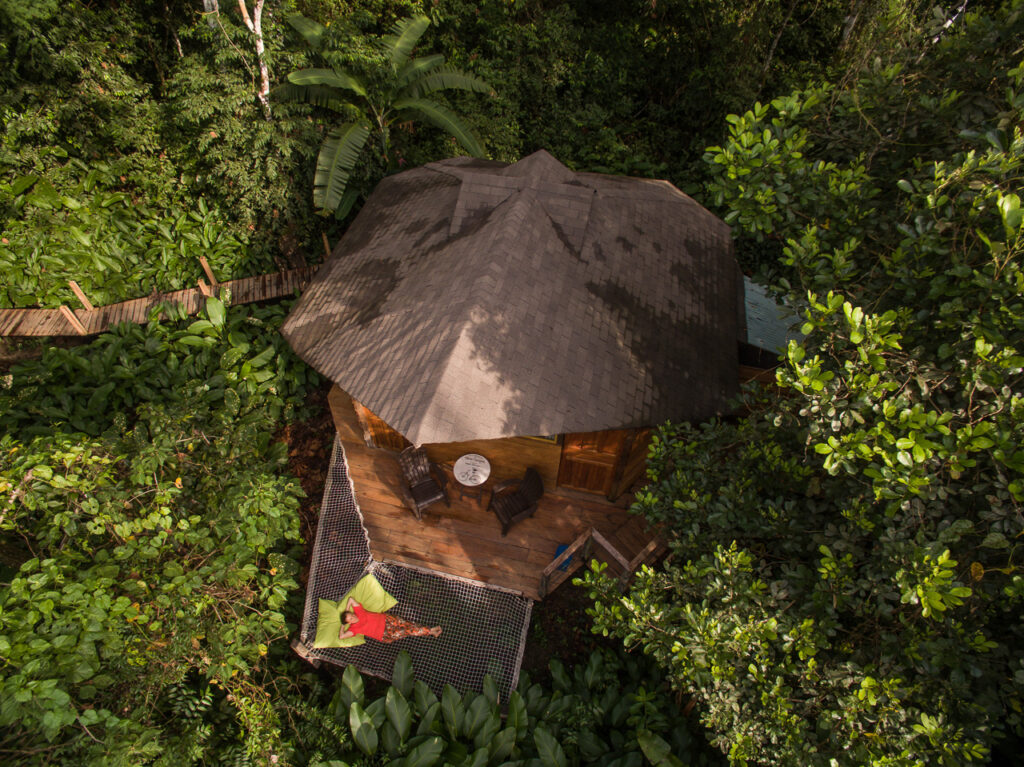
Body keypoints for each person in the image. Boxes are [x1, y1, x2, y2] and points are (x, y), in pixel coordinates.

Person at [339, 597, 442, 643]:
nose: (353, 617)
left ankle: (432, 631)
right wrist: (343, 624)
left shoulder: (359, 611)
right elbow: (341, 636)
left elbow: (351, 599)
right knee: (408, 630)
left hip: (388, 619)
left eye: (351, 615)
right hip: (385, 634)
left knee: (409, 625)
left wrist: (346, 610)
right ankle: (430, 631)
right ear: (349, 622)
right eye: (350, 619)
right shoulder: (354, 629)